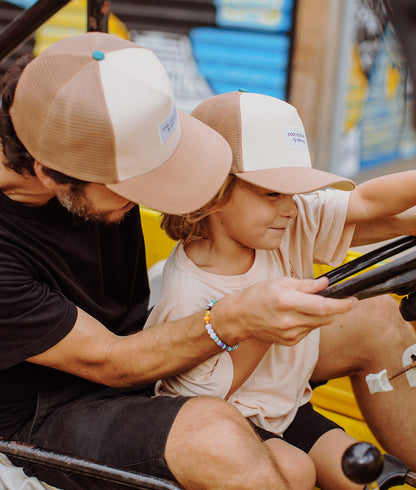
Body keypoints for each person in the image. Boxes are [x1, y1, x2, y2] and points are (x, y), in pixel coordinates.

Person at [0, 30, 415, 490]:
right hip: (57, 409)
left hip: (152, 345)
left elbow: (332, 218)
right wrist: (236, 318)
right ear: (47, 172)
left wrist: (405, 223)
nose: (155, 193)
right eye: (136, 182)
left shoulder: (87, 125)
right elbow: (108, 361)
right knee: (218, 438)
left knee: (376, 314)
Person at [144, 91, 416, 490]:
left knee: (366, 479)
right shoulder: (189, 292)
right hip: (236, 422)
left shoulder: (284, 223)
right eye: (273, 191)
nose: (290, 207)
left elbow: (365, 201)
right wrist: (259, 323)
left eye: (294, 191)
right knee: (296, 471)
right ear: (214, 191)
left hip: (289, 405)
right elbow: (201, 401)